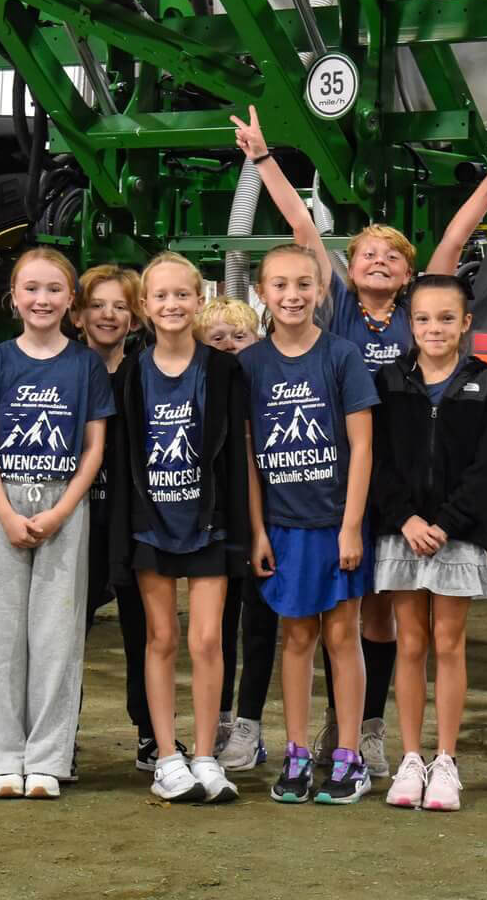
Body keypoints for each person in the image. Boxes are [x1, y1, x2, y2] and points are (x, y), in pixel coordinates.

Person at [232, 104, 487, 776]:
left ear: (408, 275)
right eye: (366, 252)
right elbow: (302, 228)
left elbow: (453, 243)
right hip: (332, 476)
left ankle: (367, 728)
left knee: (376, 615)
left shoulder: (421, 316)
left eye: (392, 255)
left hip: (392, 474)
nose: (377, 258)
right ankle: (316, 729)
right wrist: (262, 158)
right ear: (348, 268)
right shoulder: (336, 306)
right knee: (324, 612)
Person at [0, 247, 116, 798]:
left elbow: (94, 448)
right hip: (5, 501)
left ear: (70, 299)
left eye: (54, 289)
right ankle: (4, 757)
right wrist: (4, 512)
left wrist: (60, 510)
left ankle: (49, 758)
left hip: (64, 506)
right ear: (14, 297)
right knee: (4, 635)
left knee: (56, 635)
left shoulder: (85, 365)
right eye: (30, 288)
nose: (41, 299)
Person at [107, 253, 255, 804]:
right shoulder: (131, 374)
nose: (172, 304)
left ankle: (206, 756)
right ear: (145, 306)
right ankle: (167, 758)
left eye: (182, 295)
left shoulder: (223, 370)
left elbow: (237, 457)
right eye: (161, 296)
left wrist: (243, 531)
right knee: (162, 638)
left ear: (199, 300)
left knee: (208, 639)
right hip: (152, 525)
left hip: (207, 524)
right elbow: (122, 460)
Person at [239, 243, 379, 804]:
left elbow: (363, 446)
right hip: (283, 526)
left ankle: (349, 755)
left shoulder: (342, 356)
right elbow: (248, 456)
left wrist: (351, 526)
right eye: (280, 285)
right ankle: (295, 752)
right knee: (296, 637)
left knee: (342, 636)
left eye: (304, 284)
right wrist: (257, 530)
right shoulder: (250, 364)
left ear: (321, 291)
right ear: (262, 292)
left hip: (336, 523)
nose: (292, 295)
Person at [372, 276, 487, 812]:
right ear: (410, 324)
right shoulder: (387, 382)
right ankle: (410, 758)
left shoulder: (486, 384)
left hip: (457, 534)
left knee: (448, 643)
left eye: (447, 318)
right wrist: (405, 518)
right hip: (403, 531)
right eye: (423, 319)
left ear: (465, 323)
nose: (434, 328)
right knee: (410, 642)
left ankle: (445, 760)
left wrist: (446, 523)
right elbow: (376, 459)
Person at [72, 265, 156, 773]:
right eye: (98, 305)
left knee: (144, 633)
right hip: (72, 523)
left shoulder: (145, 375)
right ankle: (60, 734)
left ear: (136, 317)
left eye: (120, 306)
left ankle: (151, 733)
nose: (108, 315)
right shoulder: (63, 371)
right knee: (65, 635)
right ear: (78, 315)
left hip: (130, 523)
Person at [199, 297, 277, 773]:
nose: (229, 345)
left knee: (260, 626)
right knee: (220, 627)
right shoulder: (202, 390)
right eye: (217, 338)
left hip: (269, 520)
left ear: (257, 340)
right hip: (221, 523)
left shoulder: (267, 385)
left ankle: (250, 722)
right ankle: (221, 718)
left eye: (239, 336)